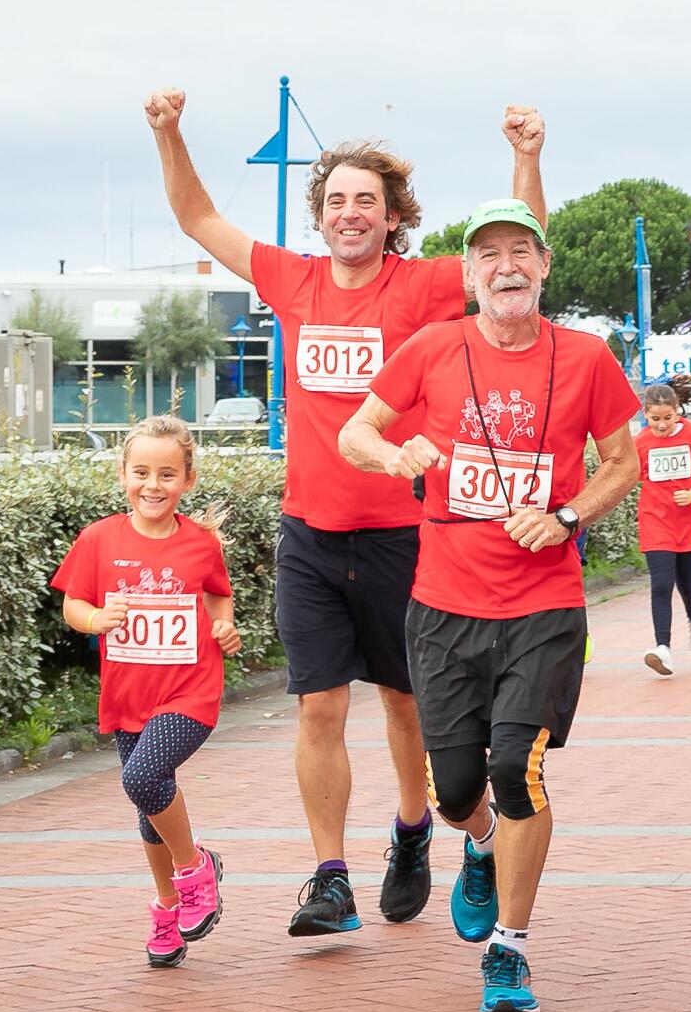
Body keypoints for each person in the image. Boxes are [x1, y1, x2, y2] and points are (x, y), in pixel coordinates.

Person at [145, 87, 547, 936]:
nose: (350, 213)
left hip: (407, 534)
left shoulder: (426, 285)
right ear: (320, 217)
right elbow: (196, 216)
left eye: (367, 199)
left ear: (393, 215)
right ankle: (330, 876)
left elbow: (516, 252)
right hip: (312, 537)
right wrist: (168, 131)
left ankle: (412, 832)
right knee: (318, 705)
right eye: (336, 201)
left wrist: (525, 159)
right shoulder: (292, 278)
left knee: (406, 705)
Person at [341, 199, 639, 1012]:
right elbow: (353, 433)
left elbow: (622, 462)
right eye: (488, 256)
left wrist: (570, 514)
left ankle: (510, 950)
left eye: (520, 251)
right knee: (457, 787)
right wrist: (395, 450)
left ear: (543, 267)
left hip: (543, 607)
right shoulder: (433, 347)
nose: (505, 266)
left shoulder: (585, 358)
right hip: (442, 609)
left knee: (517, 770)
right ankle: (477, 842)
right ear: (469, 274)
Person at [53, 416, 242, 967]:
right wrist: (96, 619)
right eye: (141, 472)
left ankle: (195, 870)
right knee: (146, 805)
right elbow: (72, 606)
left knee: (142, 777)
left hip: (190, 693)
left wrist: (224, 627)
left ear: (187, 479)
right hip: (127, 696)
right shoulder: (99, 539)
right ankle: (167, 907)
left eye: (166, 474)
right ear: (123, 475)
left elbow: (217, 598)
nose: (152, 485)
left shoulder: (202, 543)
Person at [633, 374, 691, 675]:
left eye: (667, 417)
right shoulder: (640, 443)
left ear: (678, 410)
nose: (662, 424)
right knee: (661, 583)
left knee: (687, 584)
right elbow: (628, 474)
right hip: (656, 521)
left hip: (688, 520)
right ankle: (662, 648)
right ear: (645, 415)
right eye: (655, 419)